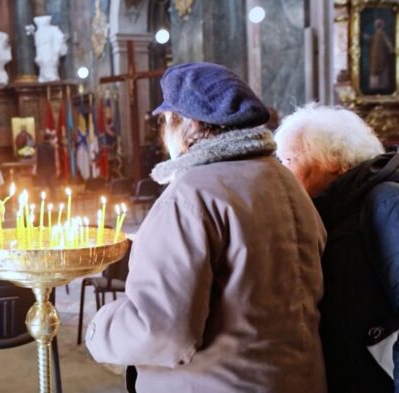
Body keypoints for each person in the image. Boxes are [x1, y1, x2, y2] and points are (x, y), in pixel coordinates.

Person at [85, 62, 326, 393]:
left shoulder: (190, 196)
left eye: (164, 121)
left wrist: (101, 327)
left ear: (183, 122)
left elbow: (161, 331)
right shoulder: (283, 179)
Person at [275, 104, 399, 393]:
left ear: (334, 162)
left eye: (288, 160)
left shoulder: (383, 201)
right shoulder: (332, 210)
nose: (281, 175)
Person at [33, 15, 67, 83]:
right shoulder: (38, 32)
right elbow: (37, 44)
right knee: (43, 63)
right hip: (41, 52)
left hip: (50, 52)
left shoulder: (53, 29)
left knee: (49, 63)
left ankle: (51, 76)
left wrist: (61, 41)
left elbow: (59, 38)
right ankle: (43, 76)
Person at [35, 131, 58, 196]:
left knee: (42, 186)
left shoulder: (39, 147)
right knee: (52, 186)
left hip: (41, 169)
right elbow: (55, 159)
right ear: (50, 139)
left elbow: (37, 158)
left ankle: (42, 200)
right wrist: (56, 169)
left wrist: (36, 169)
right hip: (51, 169)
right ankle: (53, 199)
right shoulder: (52, 147)